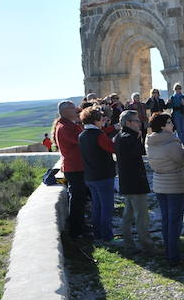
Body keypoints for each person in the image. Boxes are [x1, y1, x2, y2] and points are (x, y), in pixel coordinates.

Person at [146, 112, 184, 266]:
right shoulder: (172, 143)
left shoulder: (150, 142)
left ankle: (169, 252)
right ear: (163, 126)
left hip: (159, 183)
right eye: (170, 122)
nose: (172, 124)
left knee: (166, 220)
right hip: (174, 183)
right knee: (175, 221)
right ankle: (174, 256)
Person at [114, 110, 153, 253]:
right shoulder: (129, 138)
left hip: (126, 181)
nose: (139, 124)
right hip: (136, 181)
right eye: (136, 121)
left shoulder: (119, 136)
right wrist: (139, 138)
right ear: (128, 123)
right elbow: (139, 152)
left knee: (128, 215)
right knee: (141, 216)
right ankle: (147, 245)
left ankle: (129, 244)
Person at [78, 107, 117, 242]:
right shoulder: (99, 135)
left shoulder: (82, 135)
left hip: (90, 176)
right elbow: (112, 148)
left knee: (97, 206)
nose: (103, 122)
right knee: (107, 207)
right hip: (103, 176)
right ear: (95, 121)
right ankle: (107, 236)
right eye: (101, 120)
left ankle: (98, 234)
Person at [54, 100, 87, 238]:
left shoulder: (68, 125)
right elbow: (81, 139)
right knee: (77, 198)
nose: (77, 110)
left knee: (80, 197)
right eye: (73, 108)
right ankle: (75, 230)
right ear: (65, 111)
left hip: (76, 166)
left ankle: (80, 226)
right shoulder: (65, 127)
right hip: (74, 167)